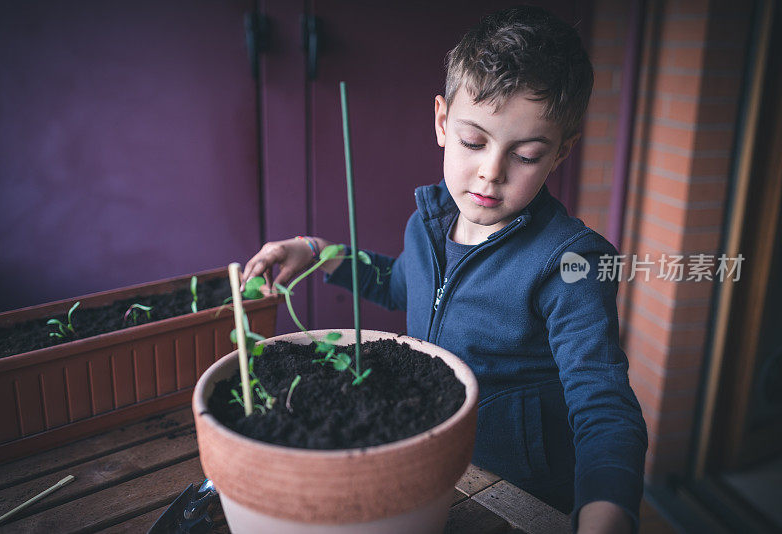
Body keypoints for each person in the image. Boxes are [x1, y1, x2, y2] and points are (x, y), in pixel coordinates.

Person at [241, 6, 647, 533]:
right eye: (473, 142)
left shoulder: (571, 263)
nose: (491, 172)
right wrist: (318, 251)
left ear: (560, 154)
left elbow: (604, 403)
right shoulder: (428, 225)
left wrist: (606, 511)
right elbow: (399, 285)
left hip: (517, 499)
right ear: (441, 122)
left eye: (524, 155)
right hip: (429, 473)